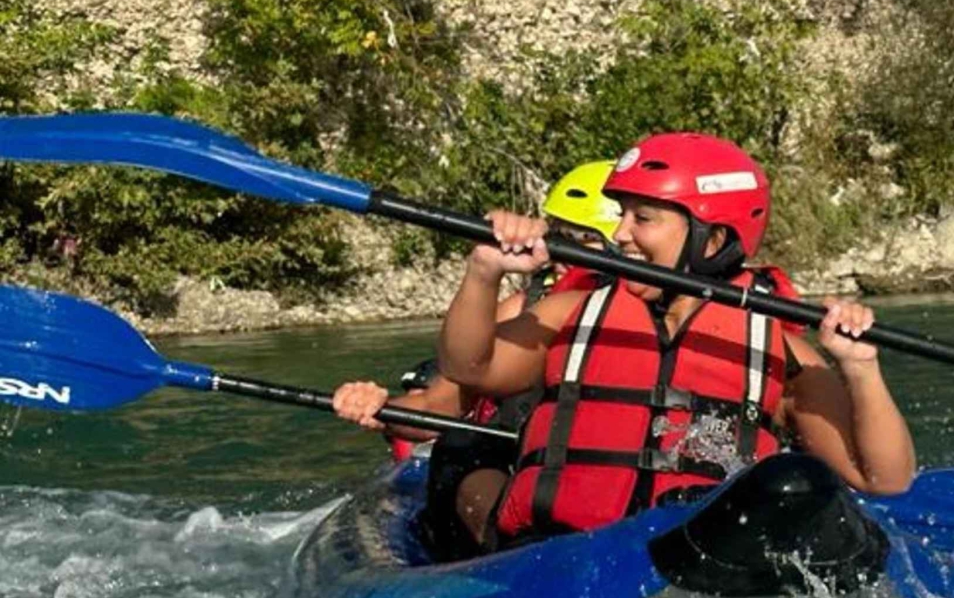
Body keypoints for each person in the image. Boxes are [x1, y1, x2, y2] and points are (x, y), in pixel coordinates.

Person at [433, 132, 916, 552]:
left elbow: (883, 479)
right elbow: (468, 367)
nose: (620, 233)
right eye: (623, 215)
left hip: (698, 554)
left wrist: (861, 368)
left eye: (643, 219)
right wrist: (484, 272)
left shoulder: (779, 353)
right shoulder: (573, 311)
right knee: (459, 457)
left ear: (711, 240)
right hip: (558, 549)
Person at [331, 161, 623, 555]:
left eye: (583, 238)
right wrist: (382, 408)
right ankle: (513, 553)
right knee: (462, 444)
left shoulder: (663, 312)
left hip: (606, 481)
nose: (561, 252)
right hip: (515, 473)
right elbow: (438, 404)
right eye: (557, 235)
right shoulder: (526, 310)